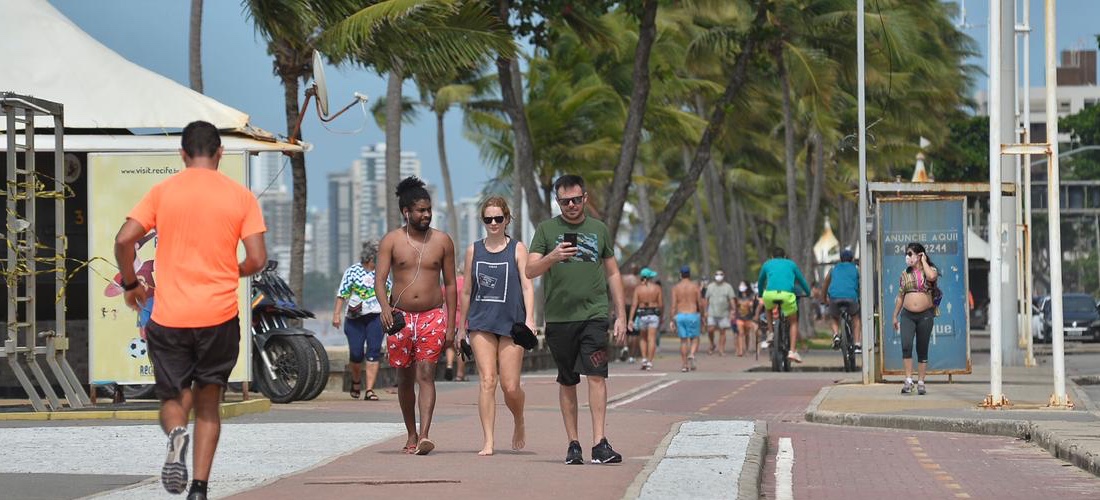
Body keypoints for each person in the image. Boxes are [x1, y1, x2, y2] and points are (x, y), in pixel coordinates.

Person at [114, 121, 266, 500]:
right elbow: (257, 260)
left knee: (174, 400)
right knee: (209, 404)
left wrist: (132, 284)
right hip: (218, 316)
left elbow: (123, 239)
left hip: (170, 317)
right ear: (220, 153)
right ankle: (199, 488)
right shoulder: (241, 196)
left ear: (182, 153)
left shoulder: (163, 192)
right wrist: (234, 270)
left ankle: (176, 435)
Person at [527, 174, 626, 465]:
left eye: (576, 199)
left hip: (593, 315)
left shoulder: (599, 230)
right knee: (568, 380)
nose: (570, 205)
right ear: (557, 202)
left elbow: (613, 272)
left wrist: (620, 315)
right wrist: (552, 257)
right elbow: (530, 270)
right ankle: (573, 444)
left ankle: (600, 443)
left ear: (586, 198)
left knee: (596, 375)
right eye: (564, 201)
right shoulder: (546, 230)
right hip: (559, 318)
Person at [376, 176, 458, 455]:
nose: (426, 215)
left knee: (426, 373)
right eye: (420, 210)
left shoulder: (443, 241)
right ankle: (410, 433)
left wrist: (450, 325)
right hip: (399, 317)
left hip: (432, 316)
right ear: (406, 212)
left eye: (429, 209)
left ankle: (425, 435)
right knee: (405, 377)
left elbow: (449, 284)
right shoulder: (391, 241)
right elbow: (380, 280)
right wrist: (385, 308)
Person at [457, 196, 534, 456]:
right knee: (487, 381)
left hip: (512, 324)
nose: (493, 223)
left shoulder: (518, 249)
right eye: (488, 219)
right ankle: (488, 441)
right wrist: (460, 327)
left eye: (498, 219)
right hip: (481, 322)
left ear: (506, 220)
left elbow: (527, 286)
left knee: (510, 386)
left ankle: (519, 419)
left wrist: (530, 319)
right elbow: (466, 291)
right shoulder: (473, 251)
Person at [332, 240, 389, 401]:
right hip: (355, 318)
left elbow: (390, 292)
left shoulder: (382, 272)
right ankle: (356, 381)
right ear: (372, 256)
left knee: (374, 351)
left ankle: (369, 389)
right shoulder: (353, 271)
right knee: (356, 353)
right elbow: (342, 293)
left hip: (376, 317)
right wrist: (336, 314)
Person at [891, 242, 939, 395]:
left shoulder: (930, 270)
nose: (908, 257)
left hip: (925, 315)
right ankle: (908, 380)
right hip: (907, 315)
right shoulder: (904, 274)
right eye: (907, 254)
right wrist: (894, 316)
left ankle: (921, 382)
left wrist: (924, 261)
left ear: (919, 255)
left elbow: (932, 277)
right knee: (906, 345)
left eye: (911, 254)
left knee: (922, 347)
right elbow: (900, 297)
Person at [757, 247, 810, 364]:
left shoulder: (767, 264)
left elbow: (760, 281)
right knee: (793, 321)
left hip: (770, 294)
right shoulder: (791, 264)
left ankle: (771, 332)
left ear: (771, 257)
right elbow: (801, 280)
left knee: (768, 308)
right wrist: (808, 292)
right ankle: (792, 351)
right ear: (785, 256)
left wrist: (760, 293)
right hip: (787, 295)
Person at [823, 249, 861, 354]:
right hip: (851, 297)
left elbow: (825, 284)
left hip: (834, 298)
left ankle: (835, 335)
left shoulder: (833, 268)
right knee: (855, 317)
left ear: (840, 259)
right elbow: (861, 282)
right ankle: (857, 344)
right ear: (852, 259)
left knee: (834, 316)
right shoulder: (856, 268)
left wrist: (823, 299)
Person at [670, 265, 704, 372]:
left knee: (683, 341)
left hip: (680, 315)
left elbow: (673, 305)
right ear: (689, 274)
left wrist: (672, 319)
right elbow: (700, 303)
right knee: (695, 338)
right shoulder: (695, 287)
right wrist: (702, 315)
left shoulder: (676, 288)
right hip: (692, 314)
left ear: (680, 275)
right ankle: (692, 354)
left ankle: (684, 365)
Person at [629, 267, 663, 370]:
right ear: (650, 277)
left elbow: (634, 305)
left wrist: (630, 319)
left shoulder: (638, 289)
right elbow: (661, 304)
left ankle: (644, 358)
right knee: (651, 338)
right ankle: (650, 362)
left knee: (642, 338)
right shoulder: (657, 288)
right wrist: (661, 315)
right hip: (653, 314)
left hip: (642, 315)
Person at [704, 270, 737, 356]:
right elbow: (706, 299)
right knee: (710, 329)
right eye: (717, 274)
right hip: (711, 312)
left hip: (724, 313)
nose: (719, 276)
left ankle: (721, 349)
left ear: (724, 275)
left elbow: (731, 299)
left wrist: (733, 310)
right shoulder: (710, 287)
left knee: (722, 332)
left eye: (721, 274)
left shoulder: (728, 287)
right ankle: (712, 343)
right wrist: (705, 311)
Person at [443, 269, 468, 381]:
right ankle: (460, 374)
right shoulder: (467, 284)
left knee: (450, 345)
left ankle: (449, 365)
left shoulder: (450, 284)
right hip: (463, 318)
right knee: (461, 346)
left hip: (450, 318)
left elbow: (443, 298)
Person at [620, 264, 641, 363]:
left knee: (624, 328)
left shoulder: (623, 279)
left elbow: (619, 292)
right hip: (635, 306)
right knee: (635, 333)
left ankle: (625, 347)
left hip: (624, 305)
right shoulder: (640, 280)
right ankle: (632, 356)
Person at [733, 281, 760, 357]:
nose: (741, 286)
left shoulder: (751, 296)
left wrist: (751, 305)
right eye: (741, 285)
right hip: (739, 318)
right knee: (740, 333)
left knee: (747, 334)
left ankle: (747, 349)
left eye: (743, 285)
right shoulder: (737, 296)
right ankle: (740, 351)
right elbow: (735, 306)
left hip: (748, 318)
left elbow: (753, 306)